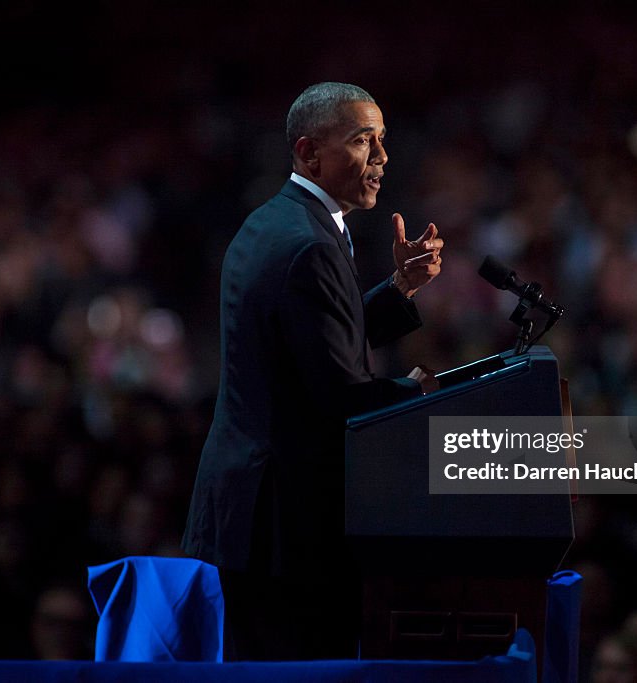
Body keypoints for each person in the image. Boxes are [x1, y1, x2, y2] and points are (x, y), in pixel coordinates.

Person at [182, 82, 444, 660]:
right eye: (361, 141)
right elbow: (339, 395)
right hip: (285, 527)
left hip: (256, 515)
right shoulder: (311, 245)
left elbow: (314, 338)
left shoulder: (278, 221)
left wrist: (399, 287)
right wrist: (417, 393)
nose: (380, 158)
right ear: (308, 153)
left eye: (381, 140)